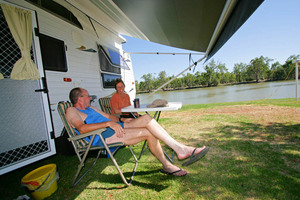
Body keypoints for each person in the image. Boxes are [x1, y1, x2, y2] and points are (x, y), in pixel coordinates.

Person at [66, 87, 209, 176]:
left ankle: (180, 149)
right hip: (102, 137)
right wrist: (109, 123)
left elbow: (110, 116)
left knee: (146, 118)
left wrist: (122, 119)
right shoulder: (72, 110)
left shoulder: (91, 109)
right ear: (79, 98)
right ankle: (168, 165)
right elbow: (82, 128)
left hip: (115, 127)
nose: (90, 97)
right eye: (88, 95)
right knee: (149, 133)